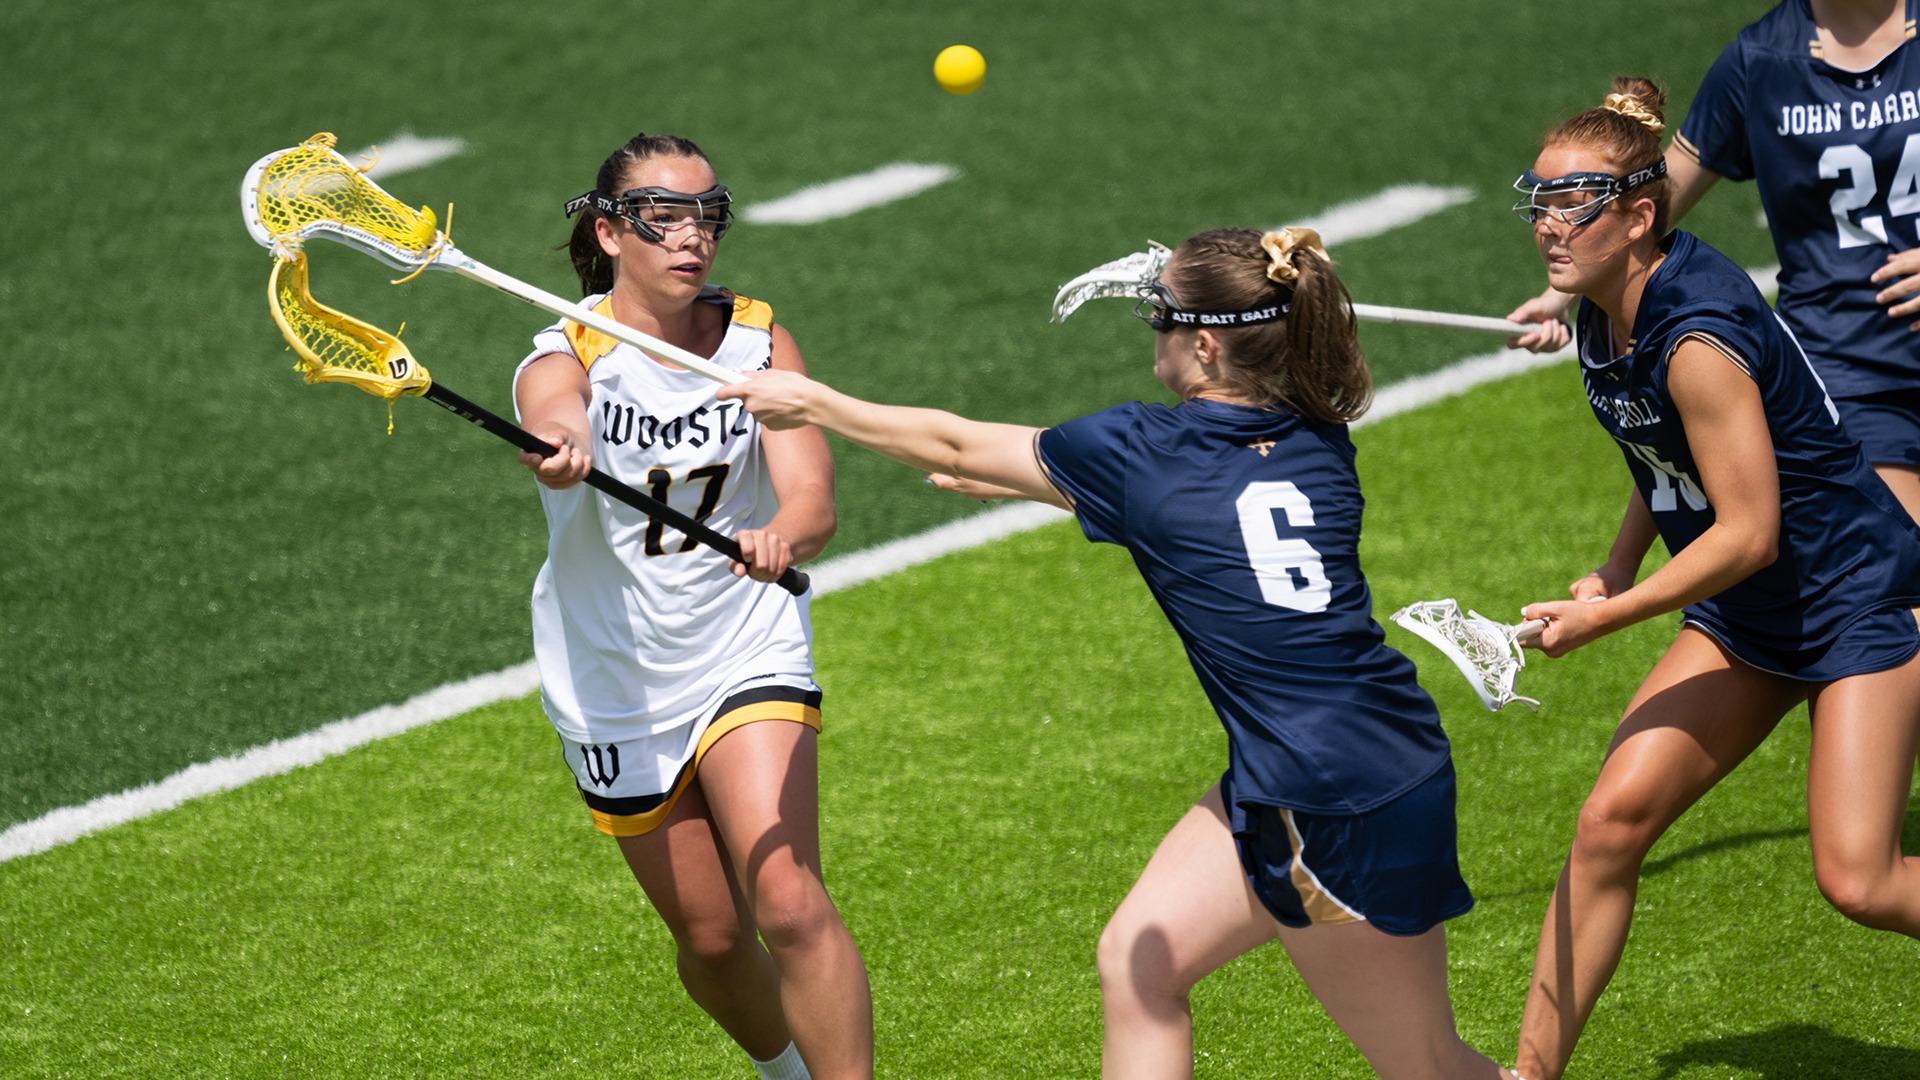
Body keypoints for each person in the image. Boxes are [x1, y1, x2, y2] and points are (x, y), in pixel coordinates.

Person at [719, 227, 1510, 1080]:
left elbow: (954, 444)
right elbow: (1205, 518)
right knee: (1140, 962)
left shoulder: (1137, 452)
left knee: (1427, 1067)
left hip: (1323, 797)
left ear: (1205, 345)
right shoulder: (1317, 435)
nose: (1153, 332)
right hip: (1356, 758)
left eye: (1161, 317)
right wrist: (1059, 485)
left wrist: (814, 404)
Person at [1505, 80, 1920, 1080]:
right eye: (1541, 202)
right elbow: (1667, 458)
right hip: (1750, 617)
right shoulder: (1606, 311)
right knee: (1609, 825)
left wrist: (1609, 616)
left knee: (1858, 880)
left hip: (1855, 599)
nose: (1549, 225)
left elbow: (1748, 535)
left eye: (1573, 205)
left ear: (1638, 216)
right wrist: (1614, 564)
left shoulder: (1697, 335)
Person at [513, 132, 868, 1080]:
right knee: (713, 941)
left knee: (788, 903)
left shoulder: (757, 341)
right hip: (613, 676)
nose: (692, 236)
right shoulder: (564, 352)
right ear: (609, 232)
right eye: (663, 217)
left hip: (745, 642)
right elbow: (553, 410)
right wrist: (559, 447)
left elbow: (812, 500)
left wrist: (782, 535)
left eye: (708, 215)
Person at [1507, 0, 1920, 520]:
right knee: (1902, 553)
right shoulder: (1760, 57)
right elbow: (1654, 192)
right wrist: (1561, 294)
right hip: (1846, 362)